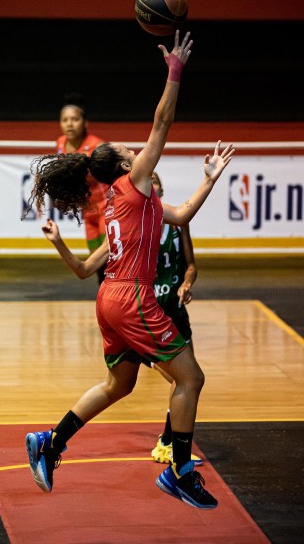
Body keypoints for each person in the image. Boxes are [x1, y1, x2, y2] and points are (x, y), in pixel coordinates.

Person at [25, 30, 235, 509]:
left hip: (109, 300)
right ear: (124, 163)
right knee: (190, 379)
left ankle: (50, 443)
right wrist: (175, 71)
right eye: (127, 149)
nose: (135, 148)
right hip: (133, 299)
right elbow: (162, 120)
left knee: (119, 384)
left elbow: (179, 217)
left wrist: (207, 179)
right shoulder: (133, 181)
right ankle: (179, 471)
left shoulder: (128, 202)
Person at [40, 170, 203, 467]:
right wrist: (59, 242)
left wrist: (187, 283)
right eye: (147, 187)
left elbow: (191, 262)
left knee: (125, 384)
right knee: (183, 377)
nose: (151, 191)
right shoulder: (127, 227)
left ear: (160, 193)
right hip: (141, 316)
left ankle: (53, 440)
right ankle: (173, 453)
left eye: (156, 186)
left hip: (171, 310)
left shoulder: (173, 225)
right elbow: (84, 268)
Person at [56, 93, 108, 283]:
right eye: (65, 120)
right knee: (95, 259)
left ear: (85, 123)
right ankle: (104, 297)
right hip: (88, 211)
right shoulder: (61, 143)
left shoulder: (97, 147)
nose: (70, 124)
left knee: (108, 258)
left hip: (106, 207)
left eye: (75, 119)